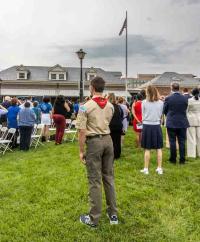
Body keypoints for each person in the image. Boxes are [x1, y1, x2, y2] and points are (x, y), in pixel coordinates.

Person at [76, 76, 118, 227]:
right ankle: (113, 215)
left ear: (92, 88)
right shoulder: (111, 106)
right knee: (109, 177)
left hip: (94, 142)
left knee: (94, 180)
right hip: (108, 141)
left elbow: (81, 131)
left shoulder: (84, 106)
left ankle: (93, 219)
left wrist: (81, 151)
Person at [163, 82, 189, 164]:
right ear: (179, 88)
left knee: (172, 141)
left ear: (171, 88)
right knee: (182, 141)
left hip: (172, 122)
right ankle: (182, 160)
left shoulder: (168, 98)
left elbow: (164, 110)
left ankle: (173, 159)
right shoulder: (185, 98)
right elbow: (185, 108)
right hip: (182, 122)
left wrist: (170, 115)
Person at [140, 85, 164, 175]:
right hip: (156, 125)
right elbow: (161, 115)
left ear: (147, 92)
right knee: (159, 148)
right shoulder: (161, 103)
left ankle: (146, 169)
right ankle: (159, 168)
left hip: (147, 125)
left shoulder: (144, 102)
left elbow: (143, 114)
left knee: (147, 149)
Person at [109, 93, 123, 159]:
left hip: (111, 125)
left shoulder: (109, 106)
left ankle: (112, 154)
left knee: (111, 141)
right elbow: (122, 115)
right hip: (119, 125)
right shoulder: (118, 106)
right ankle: (117, 154)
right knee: (117, 140)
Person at [186, 88, 200, 158]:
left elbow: (186, 110)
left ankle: (192, 154)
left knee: (191, 138)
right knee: (199, 137)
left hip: (191, 120)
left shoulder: (189, 101)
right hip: (199, 120)